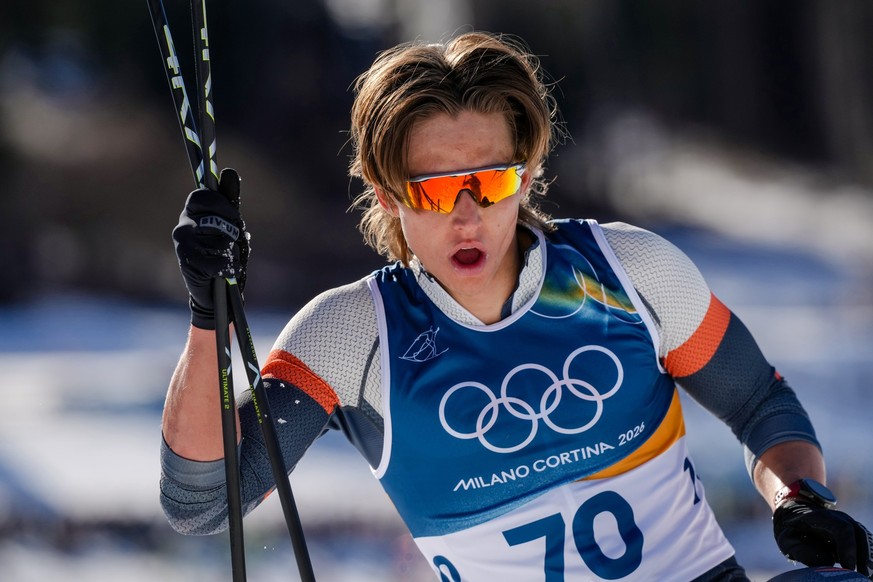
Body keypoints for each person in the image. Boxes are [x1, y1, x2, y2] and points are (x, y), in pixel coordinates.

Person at [161, 31, 873, 581]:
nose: (467, 217)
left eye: (492, 183)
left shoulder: (627, 272)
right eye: (436, 191)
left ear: (527, 175)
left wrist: (798, 498)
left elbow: (756, 401)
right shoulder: (351, 337)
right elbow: (203, 502)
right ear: (386, 194)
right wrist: (207, 316)